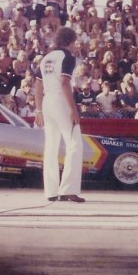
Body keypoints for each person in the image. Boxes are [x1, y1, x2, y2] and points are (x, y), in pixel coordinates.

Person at [34, 26, 85, 203]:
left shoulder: (46, 58)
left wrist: (38, 109)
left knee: (51, 145)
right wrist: (73, 110)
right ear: (70, 41)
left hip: (47, 102)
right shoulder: (67, 57)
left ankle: (51, 190)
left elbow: (38, 85)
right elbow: (64, 83)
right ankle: (68, 189)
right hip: (61, 101)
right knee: (75, 144)